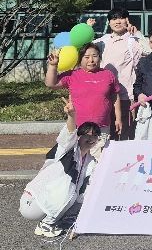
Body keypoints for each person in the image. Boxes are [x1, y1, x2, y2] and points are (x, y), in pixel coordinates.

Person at [19, 98, 99, 238]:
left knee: (88, 186)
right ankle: (46, 224)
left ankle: (65, 219)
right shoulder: (67, 149)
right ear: (78, 137)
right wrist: (72, 116)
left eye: (95, 135)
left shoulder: (90, 160)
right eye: (87, 134)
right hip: (34, 202)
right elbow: (68, 134)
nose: (91, 138)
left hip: (46, 203)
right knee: (69, 186)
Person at [45, 43, 120, 159]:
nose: (91, 60)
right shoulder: (72, 75)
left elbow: (115, 97)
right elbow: (51, 84)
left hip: (101, 128)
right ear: (80, 59)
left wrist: (118, 118)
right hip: (78, 128)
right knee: (76, 160)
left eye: (95, 56)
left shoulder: (108, 75)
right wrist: (53, 65)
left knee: (98, 162)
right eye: (86, 57)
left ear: (99, 57)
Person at [89, 7, 150, 141]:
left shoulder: (132, 40)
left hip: (125, 96)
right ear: (109, 22)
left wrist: (137, 33)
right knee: (105, 134)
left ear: (127, 20)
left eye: (121, 18)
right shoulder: (103, 41)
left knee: (125, 134)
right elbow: (85, 51)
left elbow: (150, 51)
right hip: (104, 95)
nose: (117, 22)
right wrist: (87, 30)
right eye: (113, 19)